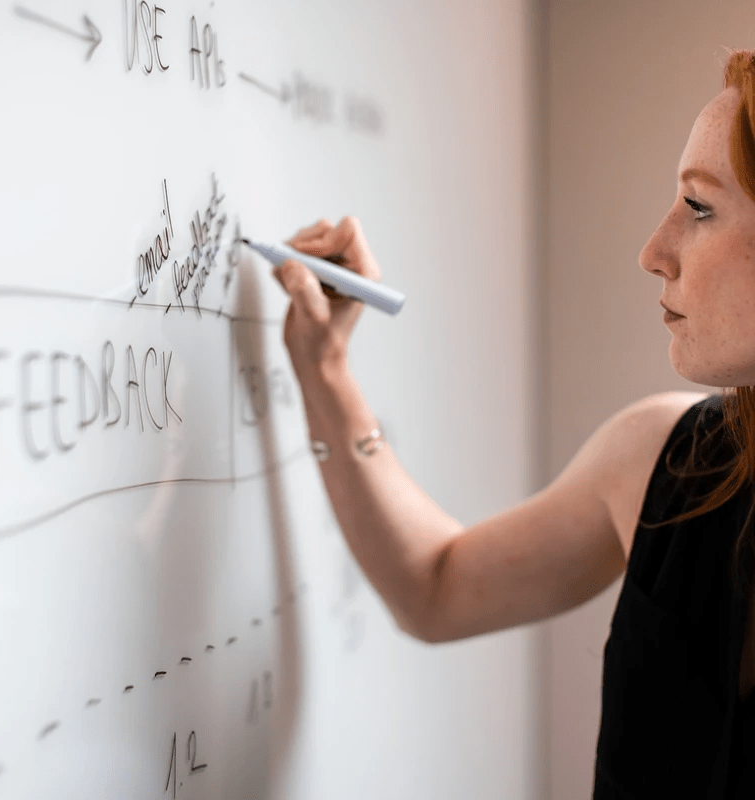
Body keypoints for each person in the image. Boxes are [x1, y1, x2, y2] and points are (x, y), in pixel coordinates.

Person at [271, 48, 755, 799]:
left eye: (698, 207)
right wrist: (326, 371)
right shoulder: (667, 462)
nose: (652, 252)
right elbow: (433, 587)